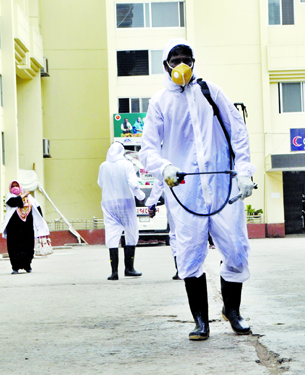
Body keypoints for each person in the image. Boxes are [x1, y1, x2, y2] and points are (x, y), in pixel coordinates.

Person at [140, 39, 256, 340]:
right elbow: (148, 150)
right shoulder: (159, 103)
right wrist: (164, 167)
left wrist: (244, 171)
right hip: (186, 191)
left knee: (236, 248)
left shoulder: (211, 92)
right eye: (175, 59)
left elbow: (237, 132)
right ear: (165, 64)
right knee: (190, 254)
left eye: (187, 59)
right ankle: (200, 320)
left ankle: (232, 311)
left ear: (194, 62)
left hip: (222, 187)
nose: (182, 64)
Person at [98, 142, 146, 280]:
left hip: (108, 203)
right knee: (131, 232)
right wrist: (141, 197)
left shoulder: (103, 166)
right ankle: (129, 268)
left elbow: (100, 183)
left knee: (112, 234)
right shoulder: (127, 164)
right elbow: (133, 183)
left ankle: (114, 272)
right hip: (126, 202)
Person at [2, 180, 50, 274]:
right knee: (14, 247)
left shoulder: (30, 198)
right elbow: (14, 202)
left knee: (28, 247)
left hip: (27, 228)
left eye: (16, 185)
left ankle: (27, 265)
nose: (15, 187)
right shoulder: (9, 196)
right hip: (14, 229)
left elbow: (37, 208)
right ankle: (15, 267)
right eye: (13, 186)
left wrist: (39, 223)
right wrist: (23, 195)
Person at [146, 178, 181, 280]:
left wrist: (152, 204)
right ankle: (192, 269)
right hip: (194, 201)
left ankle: (181, 269)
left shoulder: (167, 164)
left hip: (174, 201)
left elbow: (159, 182)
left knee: (175, 234)